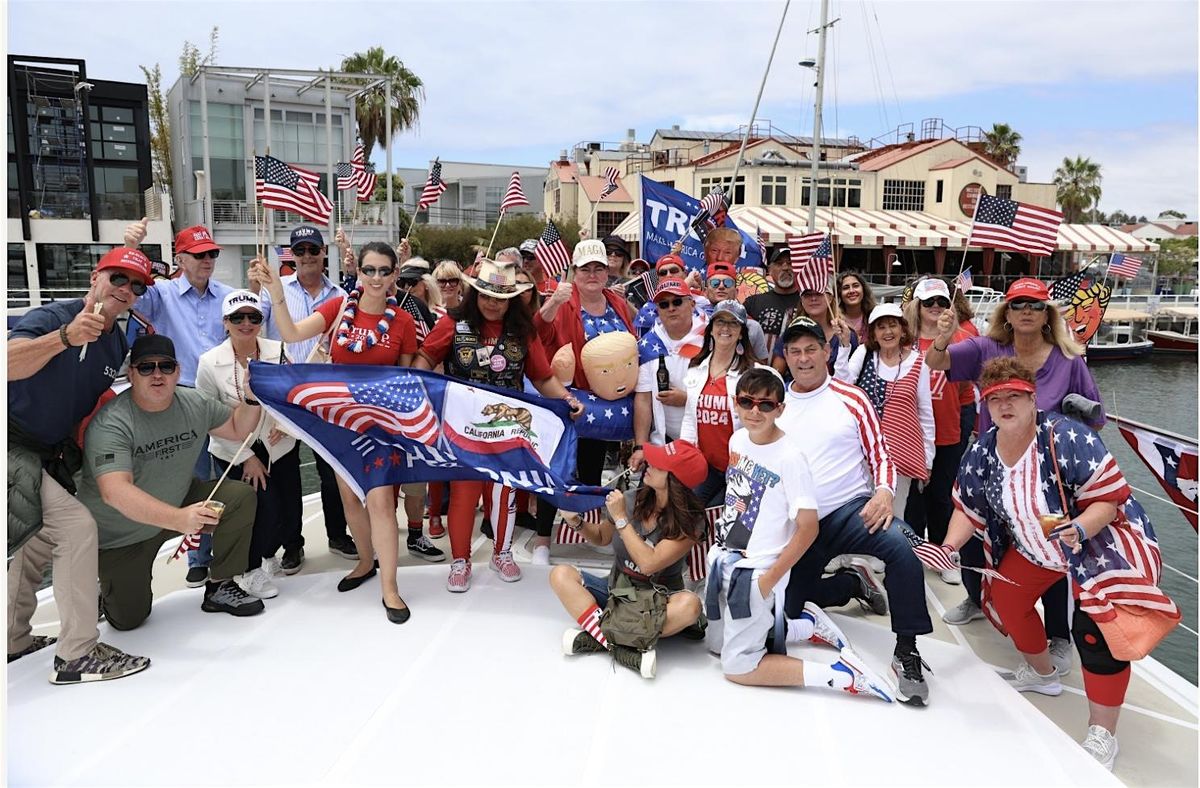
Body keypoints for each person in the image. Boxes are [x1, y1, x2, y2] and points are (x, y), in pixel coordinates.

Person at [941, 358, 1177, 770]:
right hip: (1041, 545)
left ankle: (1103, 733)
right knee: (1006, 601)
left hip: (1099, 544)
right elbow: (967, 508)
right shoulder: (981, 451)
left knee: (1093, 632)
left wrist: (1081, 529)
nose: (1005, 404)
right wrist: (949, 545)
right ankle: (1043, 672)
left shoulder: (1068, 437)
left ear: (1033, 400)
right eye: (996, 398)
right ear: (986, 405)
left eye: (1014, 395)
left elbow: (1108, 499)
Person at [926, 277, 1102, 656]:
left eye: (1035, 305)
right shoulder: (987, 347)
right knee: (977, 536)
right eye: (1018, 304)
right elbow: (936, 361)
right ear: (1007, 312)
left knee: (1054, 546)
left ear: (1046, 314)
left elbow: (1093, 416)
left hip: (1048, 475)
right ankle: (977, 598)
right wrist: (944, 334)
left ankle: (1058, 635)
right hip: (995, 463)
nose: (1026, 311)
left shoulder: (1068, 359)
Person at [251, 242, 426, 624]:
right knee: (350, 500)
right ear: (359, 273)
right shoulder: (338, 309)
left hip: (380, 425)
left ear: (395, 274)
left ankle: (390, 587)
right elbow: (292, 334)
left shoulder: (403, 322)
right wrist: (277, 293)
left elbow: (408, 375)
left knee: (380, 502)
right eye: (370, 270)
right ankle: (366, 562)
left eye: (384, 271)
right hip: (338, 422)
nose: (377, 278)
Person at [7, 246, 153, 684]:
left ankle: (12, 641)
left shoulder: (117, 340)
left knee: (34, 541)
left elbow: (93, 398)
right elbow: (7, 363)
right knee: (76, 528)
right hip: (11, 441)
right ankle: (77, 654)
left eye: (137, 286)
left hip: (46, 451)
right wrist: (65, 338)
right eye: (119, 278)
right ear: (96, 277)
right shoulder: (54, 317)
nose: (126, 290)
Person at [704, 368, 892, 701]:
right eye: (746, 402)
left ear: (780, 409)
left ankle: (840, 675)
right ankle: (805, 626)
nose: (754, 411)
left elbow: (809, 527)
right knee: (716, 646)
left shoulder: (790, 457)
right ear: (736, 404)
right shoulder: (737, 439)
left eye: (765, 404)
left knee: (738, 666)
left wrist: (769, 579)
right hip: (727, 558)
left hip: (758, 571)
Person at [775, 315, 934, 706]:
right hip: (798, 524)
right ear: (785, 356)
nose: (804, 358)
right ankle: (851, 584)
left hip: (850, 510)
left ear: (827, 352)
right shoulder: (775, 401)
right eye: (794, 351)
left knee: (902, 547)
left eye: (811, 348)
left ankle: (907, 650)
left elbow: (880, 453)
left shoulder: (852, 397)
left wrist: (883, 491)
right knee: (792, 609)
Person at [413, 258, 584, 592]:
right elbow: (425, 358)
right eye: (486, 295)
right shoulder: (452, 324)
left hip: (507, 428)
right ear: (474, 295)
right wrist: (423, 389)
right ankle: (459, 560)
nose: (493, 303)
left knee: (503, 492)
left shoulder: (523, 332)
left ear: (512, 299)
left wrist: (567, 401)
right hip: (462, 428)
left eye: (501, 297)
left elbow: (543, 376)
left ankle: (501, 553)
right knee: (463, 494)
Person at [79, 334, 266, 629]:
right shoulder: (112, 422)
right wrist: (179, 519)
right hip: (123, 533)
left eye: (166, 367)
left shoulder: (193, 402)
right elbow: (114, 491)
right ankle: (109, 592)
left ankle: (219, 586)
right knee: (129, 620)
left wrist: (251, 396)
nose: (157, 374)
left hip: (178, 501)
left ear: (177, 371)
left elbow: (237, 427)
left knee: (239, 497)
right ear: (131, 374)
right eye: (146, 367)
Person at [124, 220, 261, 582]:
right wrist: (133, 250)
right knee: (196, 479)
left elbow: (253, 328)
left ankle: (235, 555)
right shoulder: (161, 294)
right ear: (180, 259)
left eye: (212, 253)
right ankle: (199, 557)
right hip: (181, 399)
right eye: (199, 255)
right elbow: (129, 290)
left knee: (228, 477)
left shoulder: (228, 296)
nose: (208, 260)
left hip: (222, 397)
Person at [550, 440, 708, 678]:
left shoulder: (692, 521)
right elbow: (603, 536)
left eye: (659, 464)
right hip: (618, 591)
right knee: (560, 575)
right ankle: (623, 647)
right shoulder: (634, 497)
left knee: (690, 606)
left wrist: (622, 519)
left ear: (676, 480)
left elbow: (649, 563)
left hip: (658, 602)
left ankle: (599, 634)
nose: (649, 464)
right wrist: (575, 521)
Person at [531, 239, 636, 562]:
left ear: (608, 271)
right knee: (556, 469)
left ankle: (589, 529)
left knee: (591, 470)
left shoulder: (618, 303)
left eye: (599, 268)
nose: (592, 274)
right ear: (574, 272)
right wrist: (550, 305)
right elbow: (537, 335)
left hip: (606, 405)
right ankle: (543, 540)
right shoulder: (563, 302)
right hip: (569, 399)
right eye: (585, 269)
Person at [196, 290, 303, 597]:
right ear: (225, 322)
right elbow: (209, 419)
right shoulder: (209, 363)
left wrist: (286, 427)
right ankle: (249, 569)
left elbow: (293, 396)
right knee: (258, 509)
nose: (246, 323)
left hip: (278, 444)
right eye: (237, 318)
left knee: (286, 509)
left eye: (253, 317)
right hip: (235, 450)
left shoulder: (278, 351)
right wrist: (245, 458)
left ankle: (268, 555)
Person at [263, 224, 355, 564]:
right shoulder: (274, 290)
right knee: (285, 475)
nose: (306, 257)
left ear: (322, 253)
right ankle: (292, 544)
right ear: (292, 255)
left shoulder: (341, 296)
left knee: (332, 473)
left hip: (325, 396)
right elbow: (252, 327)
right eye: (299, 251)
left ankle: (337, 535)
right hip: (285, 395)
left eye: (312, 250)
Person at [902, 277, 973, 585]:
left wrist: (967, 430)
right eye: (928, 302)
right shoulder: (904, 340)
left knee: (941, 497)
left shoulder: (959, 340)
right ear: (917, 305)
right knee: (912, 499)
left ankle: (944, 554)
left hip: (947, 430)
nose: (935, 308)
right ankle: (912, 552)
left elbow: (968, 395)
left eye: (941, 303)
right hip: (911, 433)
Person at [838, 303, 934, 519]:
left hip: (901, 455)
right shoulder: (864, 354)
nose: (888, 332)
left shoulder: (919, 362)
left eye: (893, 325)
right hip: (862, 453)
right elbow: (842, 387)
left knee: (893, 515)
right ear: (873, 332)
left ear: (902, 329)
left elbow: (926, 414)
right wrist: (844, 347)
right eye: (881, 327)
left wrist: (928, 460)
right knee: (859, 513)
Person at [679, 300, 759, 506]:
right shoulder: (696, 368)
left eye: (733, 323)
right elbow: (690, 416)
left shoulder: (753, 374)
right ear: (711, 330)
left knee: (727, 521)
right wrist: (685, 455)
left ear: (741, 332)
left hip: (741, 467)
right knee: (690, 512)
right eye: (720, 322)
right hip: (706, 466)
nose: (725, 328)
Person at [630, 277, 708, 468]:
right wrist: (640, 446)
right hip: (663, 444)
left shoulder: (710, 339)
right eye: (664, 304)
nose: (671, 308)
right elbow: (643, 399)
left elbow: (725, 390)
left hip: (705, 442)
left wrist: (687, 399)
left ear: (691, 304)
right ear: (658, 311)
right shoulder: (649, 345)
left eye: (677, 301)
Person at [771, 279, 855, 377]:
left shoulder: (846, 334)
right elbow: (776, 375)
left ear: (830, 298)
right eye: (807, 294)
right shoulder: (791, 332)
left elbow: (851, 376)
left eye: (819, 293)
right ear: (801, 300)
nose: (813, 298)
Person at [701, 260, 769, 359]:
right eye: (715, 283)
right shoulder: (693, 322)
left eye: (727, 283)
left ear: (736, 292)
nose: (721, 286)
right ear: (705, 292)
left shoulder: (751, 326)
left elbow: (762, 364)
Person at [744, 247, 799, 349]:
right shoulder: (753, 303)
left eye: (790, 263)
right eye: (779, 263)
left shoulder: (808, 303)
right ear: (770, 270)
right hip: (761, 362)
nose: (785, 267)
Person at [837, 270, 877, 339]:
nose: (852, 291)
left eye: (856, 286)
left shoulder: (875, 316)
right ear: (839, 293)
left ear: (863, 290)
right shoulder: (834, 319)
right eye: (846, 288)